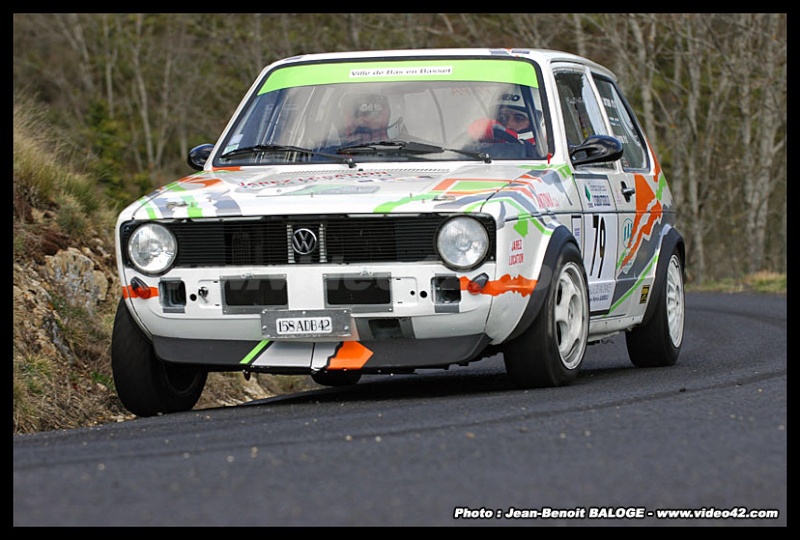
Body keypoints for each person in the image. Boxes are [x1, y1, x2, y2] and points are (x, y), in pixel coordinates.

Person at [467, 91, 538, 153]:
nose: (508, 124)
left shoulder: (544, 157)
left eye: (519, 119)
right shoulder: (485, 145)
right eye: (503, 117)